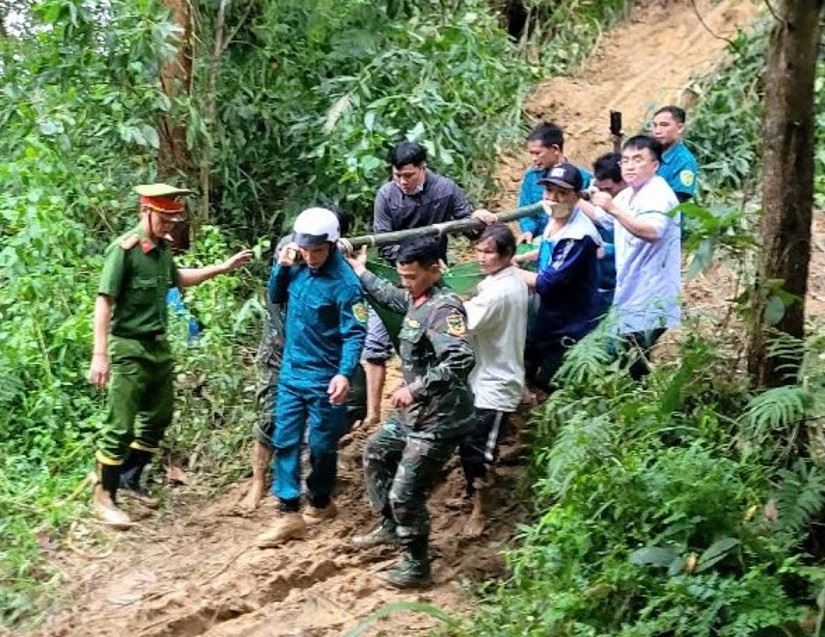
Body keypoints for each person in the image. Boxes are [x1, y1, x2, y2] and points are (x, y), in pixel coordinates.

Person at [89, 183, 252, 529]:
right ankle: (104, 496)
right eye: (164, 219)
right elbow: (104, 301)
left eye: (172, 220)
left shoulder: (161, 250)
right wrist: (99, 354)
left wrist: (221, 268)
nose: (169, 226)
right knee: (120, 423)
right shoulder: (124, 251)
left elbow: (178, 280)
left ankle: (130, 481)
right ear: (146, 212)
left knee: (158, 416)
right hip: (129, 347)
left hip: (158, 347)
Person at [346, 238, 475, 589]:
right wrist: (360, 269)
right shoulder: (414, 297)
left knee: (405, 491)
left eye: (412, 277)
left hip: (439, 419)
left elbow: (461, 359)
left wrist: (414, 389)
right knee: (375, 451)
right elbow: (389, 295)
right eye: (402, 276)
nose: (406, 282)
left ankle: (417, 566)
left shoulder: (445, 310)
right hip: (412, 416)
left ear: (435, 269)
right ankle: (390, 527)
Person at [255, 208, 368, 546]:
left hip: (324, 377)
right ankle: (287, 510)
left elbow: (354, 332)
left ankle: (320, 500)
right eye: (306, 250)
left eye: (318, 250)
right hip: (292, 372)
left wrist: (344, 374)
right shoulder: (297, 268)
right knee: (285, 440)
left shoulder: (346, 284)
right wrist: (282, 267)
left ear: (331, 245)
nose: (312, 256)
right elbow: (275, 297)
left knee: (321, 445)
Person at [363, 141, 494, 428]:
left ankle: (443, 401)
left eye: (408, 175)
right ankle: (373, 411)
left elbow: (468, 227)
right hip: (395, 274)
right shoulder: (386, 195)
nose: (402, 181)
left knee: (443, 340)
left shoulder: (445, 188)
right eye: (397, 175)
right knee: (375, 341)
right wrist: (411, 261)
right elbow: (384, 243)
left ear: (423, 168)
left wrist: (478, 220)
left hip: (434, 276)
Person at [590, 135, 681, 379]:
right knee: (632, 356)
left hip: (652, 294)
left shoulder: (659, 194)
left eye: (638, 160)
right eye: (626, 160)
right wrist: (572, 198)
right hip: (632, 290)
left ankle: (642, 406)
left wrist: (612, 208)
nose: (630, 166)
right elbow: (603, 218)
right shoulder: (627, 195)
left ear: (655, 165)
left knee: (635, 359)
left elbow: (652, 231)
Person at [458, 224, 527, 538]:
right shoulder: (505, 280)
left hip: (496, 384)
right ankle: (474, 493)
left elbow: (460, 322)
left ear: (507, 255)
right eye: (479, 251)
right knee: (469, 441)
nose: (482, 258)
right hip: (487, 375)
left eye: (489, 252)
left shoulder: (498, 293)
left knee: (479, 449)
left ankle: (481, 508)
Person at [515, 163, 602, 391]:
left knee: (553, 377)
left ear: (575, 197)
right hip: (551, 311)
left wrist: (508, 269)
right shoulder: (557, 220)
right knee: (530, 352)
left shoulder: (578, 235)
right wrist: (523, 259)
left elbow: (546, 283)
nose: (553, 198)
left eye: (562, 193)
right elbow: (549, 248)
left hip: (569, 318)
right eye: (549, 191)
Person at [516, 121, 592, 244]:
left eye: (538, 153)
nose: (534, 159)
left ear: (555, 149)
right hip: (540, 241)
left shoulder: (584, 178)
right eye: (531, 153)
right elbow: (525, 211)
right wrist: (528, 230)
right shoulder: (531, 177)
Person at [583, 152, 624, 317]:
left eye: (608, 189)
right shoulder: (607, 195)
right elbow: (603, 218)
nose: (604, 193)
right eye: (601, 189)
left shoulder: (632, 201)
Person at [651, 105, 698, 203]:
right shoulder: (650, 152)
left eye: (664, 125)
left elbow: (676, 201)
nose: (657, 131)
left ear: (680, 128)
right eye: (655, 125)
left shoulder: (684, 161)